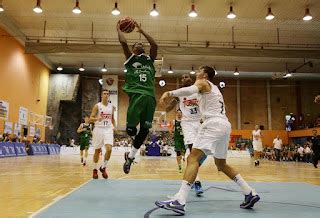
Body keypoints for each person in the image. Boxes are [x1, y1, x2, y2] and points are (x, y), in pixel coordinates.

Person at [155, 66, 260, 215]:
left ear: (205, 74)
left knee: (192, 158)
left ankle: (180, 201)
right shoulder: (214, 89)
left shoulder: (204, 83)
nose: (196, 73)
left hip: (212, 124)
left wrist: (169, 92)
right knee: (221, 164)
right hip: (224, 125)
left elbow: (190, 90)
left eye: (199, 70)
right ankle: (249, 192)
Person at [117, 19, 158, 174]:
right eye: (136, 45)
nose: (139, 45)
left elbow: (154, 45)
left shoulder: (149, 60)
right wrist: (118, 29)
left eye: (140, 44)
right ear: (133, 50)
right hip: (137, 95)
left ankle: (131, 157)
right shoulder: (130, 59)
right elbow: (123, 43)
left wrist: (142, 31)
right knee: (130, 129)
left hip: (150, 97)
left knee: (145, 130)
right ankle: (134, 144)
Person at [165, 73, 205, 196]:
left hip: (200, 122)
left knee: (202, 154)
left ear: (191, 79)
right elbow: (168, 108)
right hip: (187, 124)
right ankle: (197, 182)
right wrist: (169, 102)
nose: (184, 79)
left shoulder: (198, 92)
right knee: (193, 151)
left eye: (186, 77)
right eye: (182, 78)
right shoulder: (180, 93)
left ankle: (192, 172)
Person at [90, 89, 115, 179]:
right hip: (98, 129)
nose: (106, 95)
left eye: (107, 94)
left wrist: (114, 127)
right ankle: (95, 169)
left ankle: (103, 167)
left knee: (109, 149)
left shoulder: (112, 107)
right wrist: (97, 119)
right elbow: (90, 118)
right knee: (97, 151)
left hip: (108, 129)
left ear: (109, 96)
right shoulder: (97, 106)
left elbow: (112, 118)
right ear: (101, 95)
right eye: (104, 94)